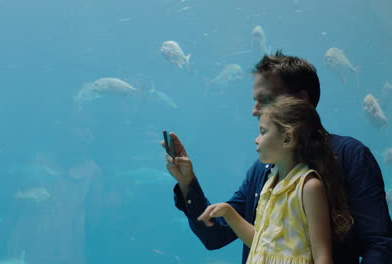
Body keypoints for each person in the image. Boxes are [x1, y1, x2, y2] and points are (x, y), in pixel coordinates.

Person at [164, 50, 392, 263]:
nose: (254, 110)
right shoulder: (263, 170)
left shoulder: (350, 156)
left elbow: (379, 244)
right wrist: (187, 183)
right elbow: (216, 235)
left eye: (264, 100)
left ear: (302, 100)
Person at [197, 96, 352, 263]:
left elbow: (322, 257)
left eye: (263, 132)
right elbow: (260, 244)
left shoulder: (309, 187)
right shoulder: (269, 183)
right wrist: (229, 212)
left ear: (287, 139)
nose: (256, 139)